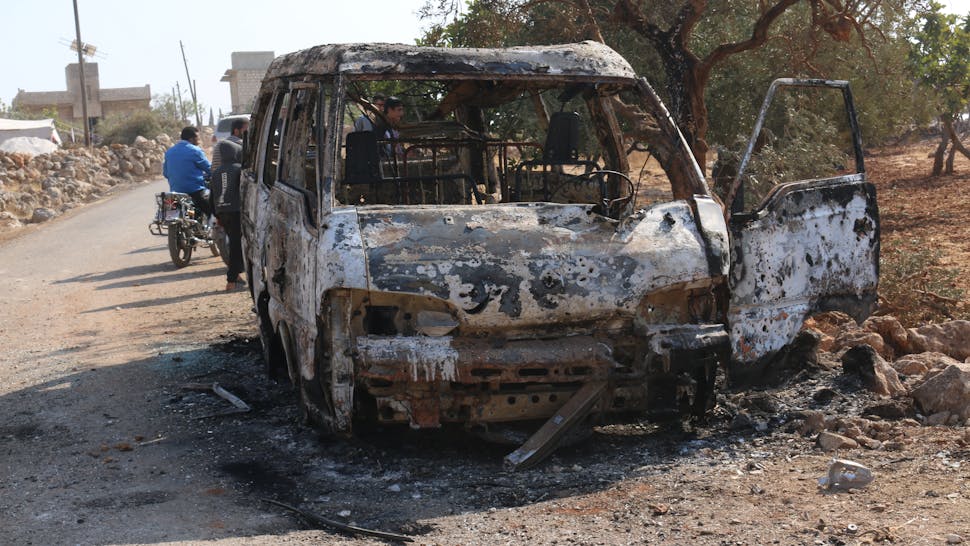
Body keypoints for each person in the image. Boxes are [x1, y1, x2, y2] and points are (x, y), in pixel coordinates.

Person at [211, 119, 249, 291]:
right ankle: (231, 280)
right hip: (235, 211)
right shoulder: (238, 169)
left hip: (222, 212)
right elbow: (243, 192)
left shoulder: (217, 172)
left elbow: (213, 196)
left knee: (234, 244)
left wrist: (217, 216)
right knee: (235, 245)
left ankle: (237, 275)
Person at [163, 126, 212, 218]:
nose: (199, 140)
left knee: (175, 213)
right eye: (198, 137)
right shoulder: (195, 150)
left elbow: (165, 173)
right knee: (212, 211)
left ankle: (191, 216)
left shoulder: (169, 152)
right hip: (194, 191)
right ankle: (212, 228)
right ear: (191, 139)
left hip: (175, 192)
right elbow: (209, 169)